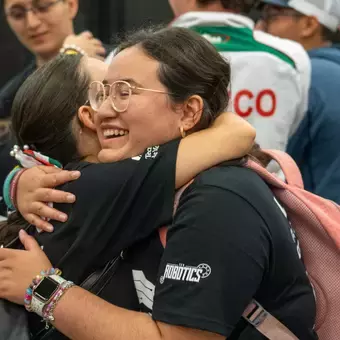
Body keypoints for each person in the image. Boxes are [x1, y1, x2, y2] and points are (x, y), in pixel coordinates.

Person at [0, 27, 317, 340]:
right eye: (104, 93)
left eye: (125, 92)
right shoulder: (135, 183)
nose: (103, 112)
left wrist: (44, 290)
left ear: (188, 111)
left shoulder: (217, 199)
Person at [164, 0, 311, 154]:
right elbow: (290, 128)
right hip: (264, 176)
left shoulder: (144, 53)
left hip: (172, 176)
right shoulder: (291, 56)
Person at [0, 0, 106, 205]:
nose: (32, 23)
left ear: (72, 5)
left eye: (43, 6)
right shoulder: (8, 99)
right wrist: (15, 184)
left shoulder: (119, 62)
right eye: (18, 13)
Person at [256, 0, 340, 203]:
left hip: (319, 227)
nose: (259, 25)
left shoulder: (302, 77)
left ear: (309, 25)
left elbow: (266, 166)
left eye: (272, 14)